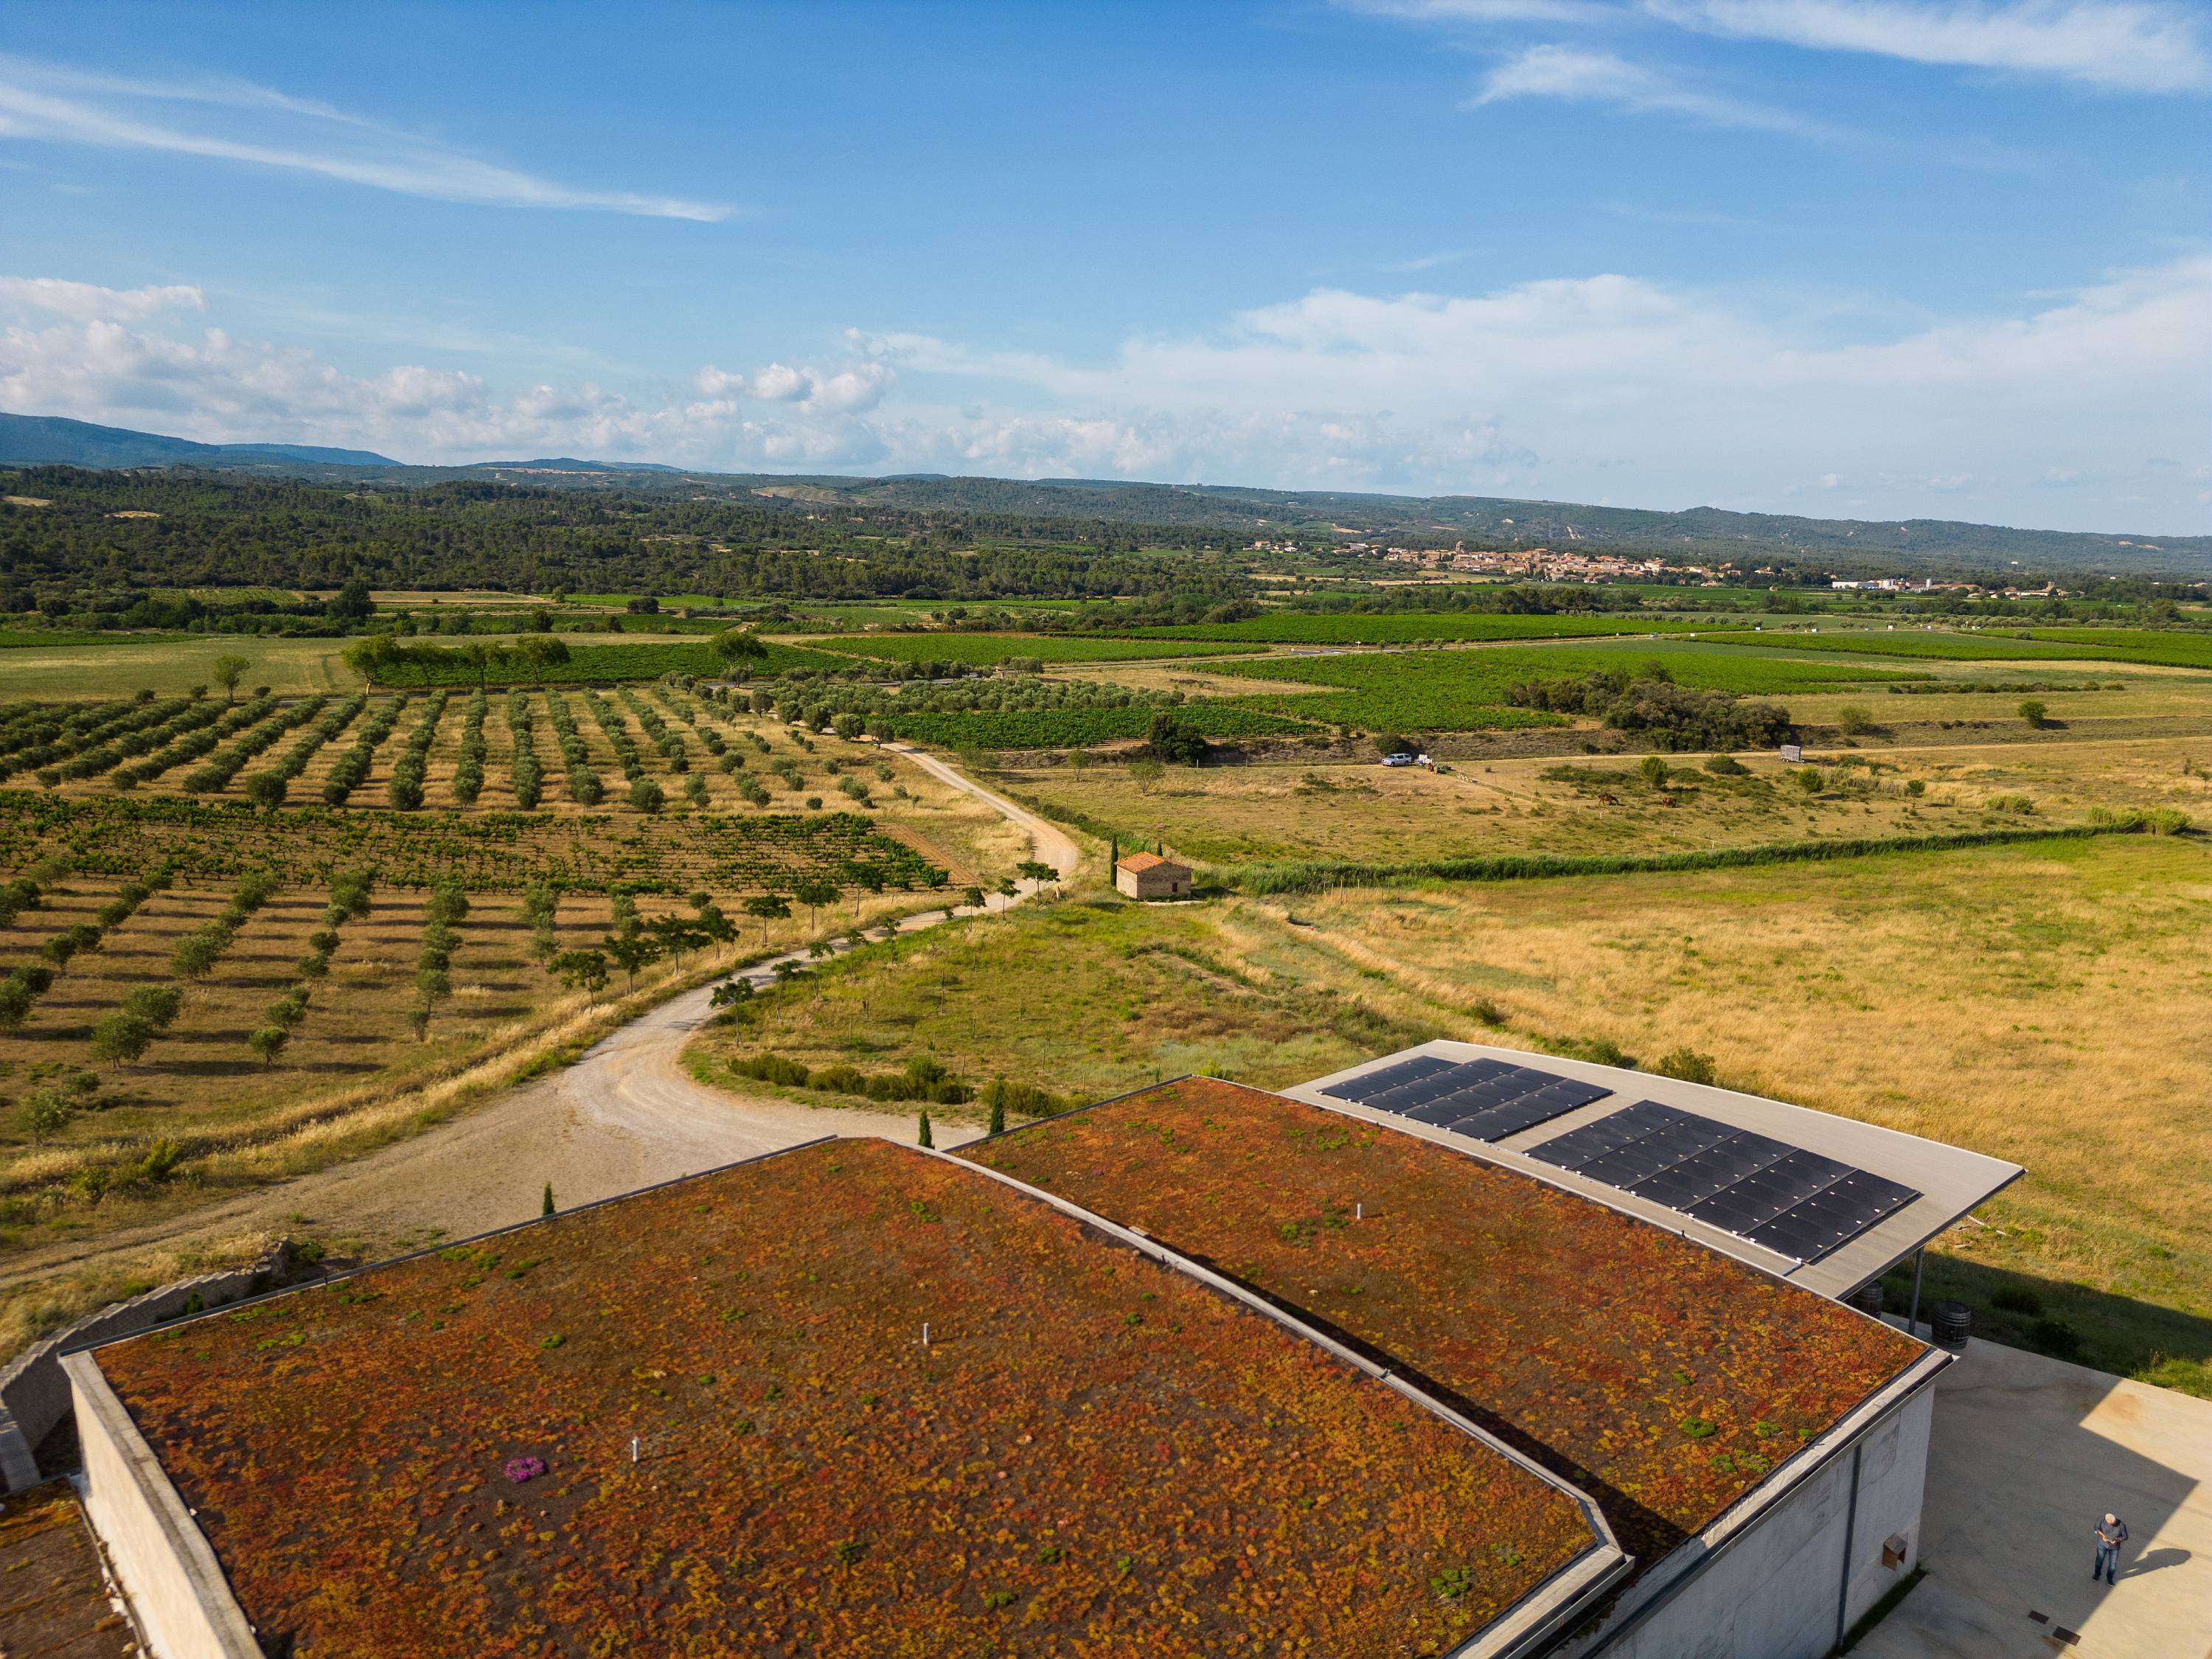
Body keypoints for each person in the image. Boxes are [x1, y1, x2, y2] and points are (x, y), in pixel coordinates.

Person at [2093, 1512, 2129, 1585]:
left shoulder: (2121, 1525)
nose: (2113, 1525)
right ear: (2106, 1521)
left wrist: (2117, 1540)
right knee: (2099, 1561)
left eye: (2114, 1523)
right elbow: (2096, 1528)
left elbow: (2125, 1536)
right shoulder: (2102, 1520)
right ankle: (2097, 1575)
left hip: (2114, 1547)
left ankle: (2109, 1578)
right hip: (2102, 1544)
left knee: (2113, 1565)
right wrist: (2103, 1536)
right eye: (2111, 1524)